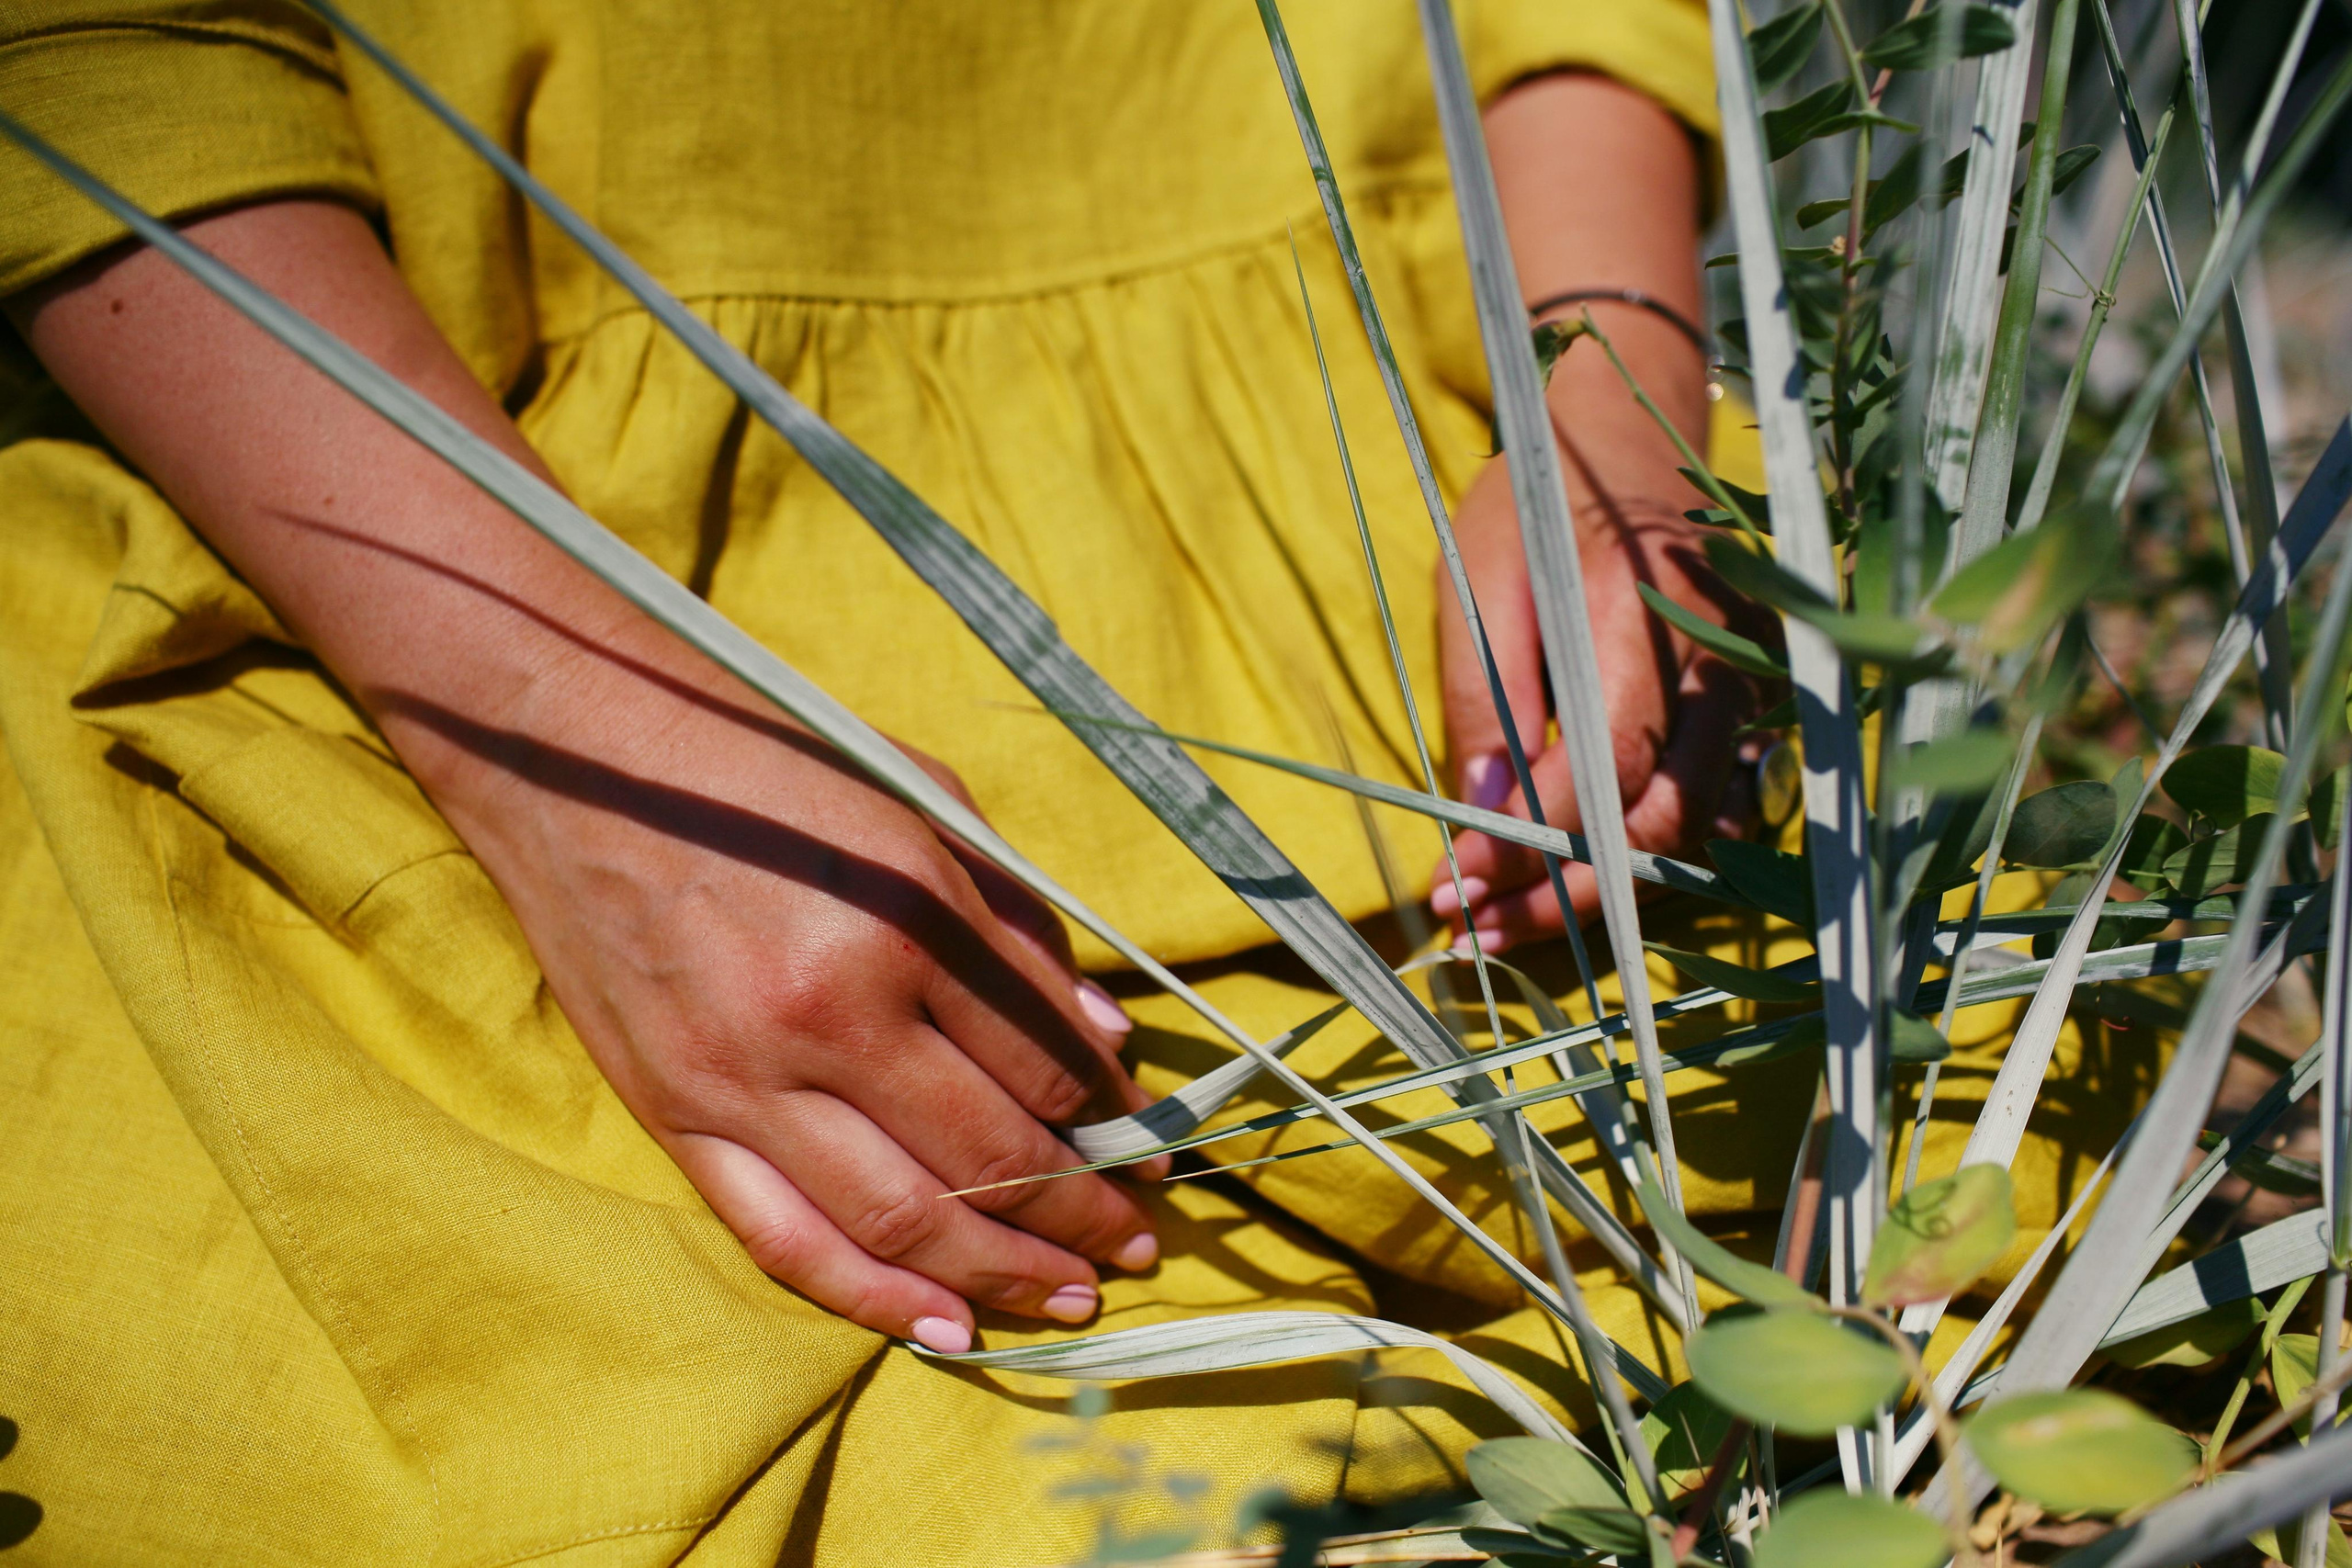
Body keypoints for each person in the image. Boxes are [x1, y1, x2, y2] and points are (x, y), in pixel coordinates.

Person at [0, 2, 2129, 1562]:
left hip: (1455, 544)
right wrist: (568, 742)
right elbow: (106, 59)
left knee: (2061, 1341)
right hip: (441, 597)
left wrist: (1614, 425)